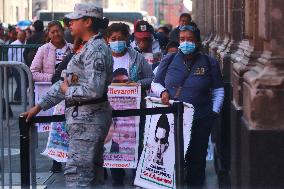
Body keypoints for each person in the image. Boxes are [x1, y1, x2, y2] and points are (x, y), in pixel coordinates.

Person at [21, 3, 113, 188]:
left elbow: (93, 89)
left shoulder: (95, 49)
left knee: (78, 175)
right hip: (85, 119)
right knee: (90, 174)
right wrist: (39, 107)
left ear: (87, 22)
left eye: (74, 20)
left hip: (88, 121)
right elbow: (66, 81)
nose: (69, 23)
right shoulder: (85, 48)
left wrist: (66, 91)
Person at [152, 25, 225, 187]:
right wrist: (163, 92)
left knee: (197, 159)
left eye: (190, 39)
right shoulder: (169, 59)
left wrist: (213, 112)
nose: (185, 43)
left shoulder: (209, 62)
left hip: (201, 119)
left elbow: (218, 90)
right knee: (173, 157)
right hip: (173, 121)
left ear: (198, 42)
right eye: (182, 39)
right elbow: (155, 84)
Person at [106, 22, 154, 186]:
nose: (117, 41)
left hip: (134, 111)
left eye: (120, 38)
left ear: (127, 39)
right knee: (113, 144)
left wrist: (136, 83)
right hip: (109, 111)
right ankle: (117, 179)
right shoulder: (103, 57)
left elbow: (151, 79)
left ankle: (137, 177)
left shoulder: (137, 57)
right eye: (113, 38)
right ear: (108, 39)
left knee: (136, 144)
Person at [8, 30, 26, 101]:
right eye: (19, 35)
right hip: (16, 66)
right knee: (19, 82)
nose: (21, 36)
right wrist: (10, 66)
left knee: (24, 82)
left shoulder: (25, 43)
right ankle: (17, 97)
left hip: (24, 66)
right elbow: (10, 56)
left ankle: (18, 96)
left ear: (25, 36)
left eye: (22, 35)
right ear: (17, 36)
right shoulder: (13, 44)